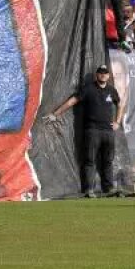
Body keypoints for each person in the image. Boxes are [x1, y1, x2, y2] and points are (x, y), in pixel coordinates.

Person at [46, 64, 123, 197]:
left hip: (108, 132)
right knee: (89, 161)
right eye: (101, 72)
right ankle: (88, 190)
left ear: (108, 76)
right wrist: (55, 114)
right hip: (92, 131)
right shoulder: (88, 89)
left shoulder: (112, 90)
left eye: (105, 73)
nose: (103, 75)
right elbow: (72, 101)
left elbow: (120, 104)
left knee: (108, 161)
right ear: (97, 75)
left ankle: (109, 189)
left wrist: (117, 122)